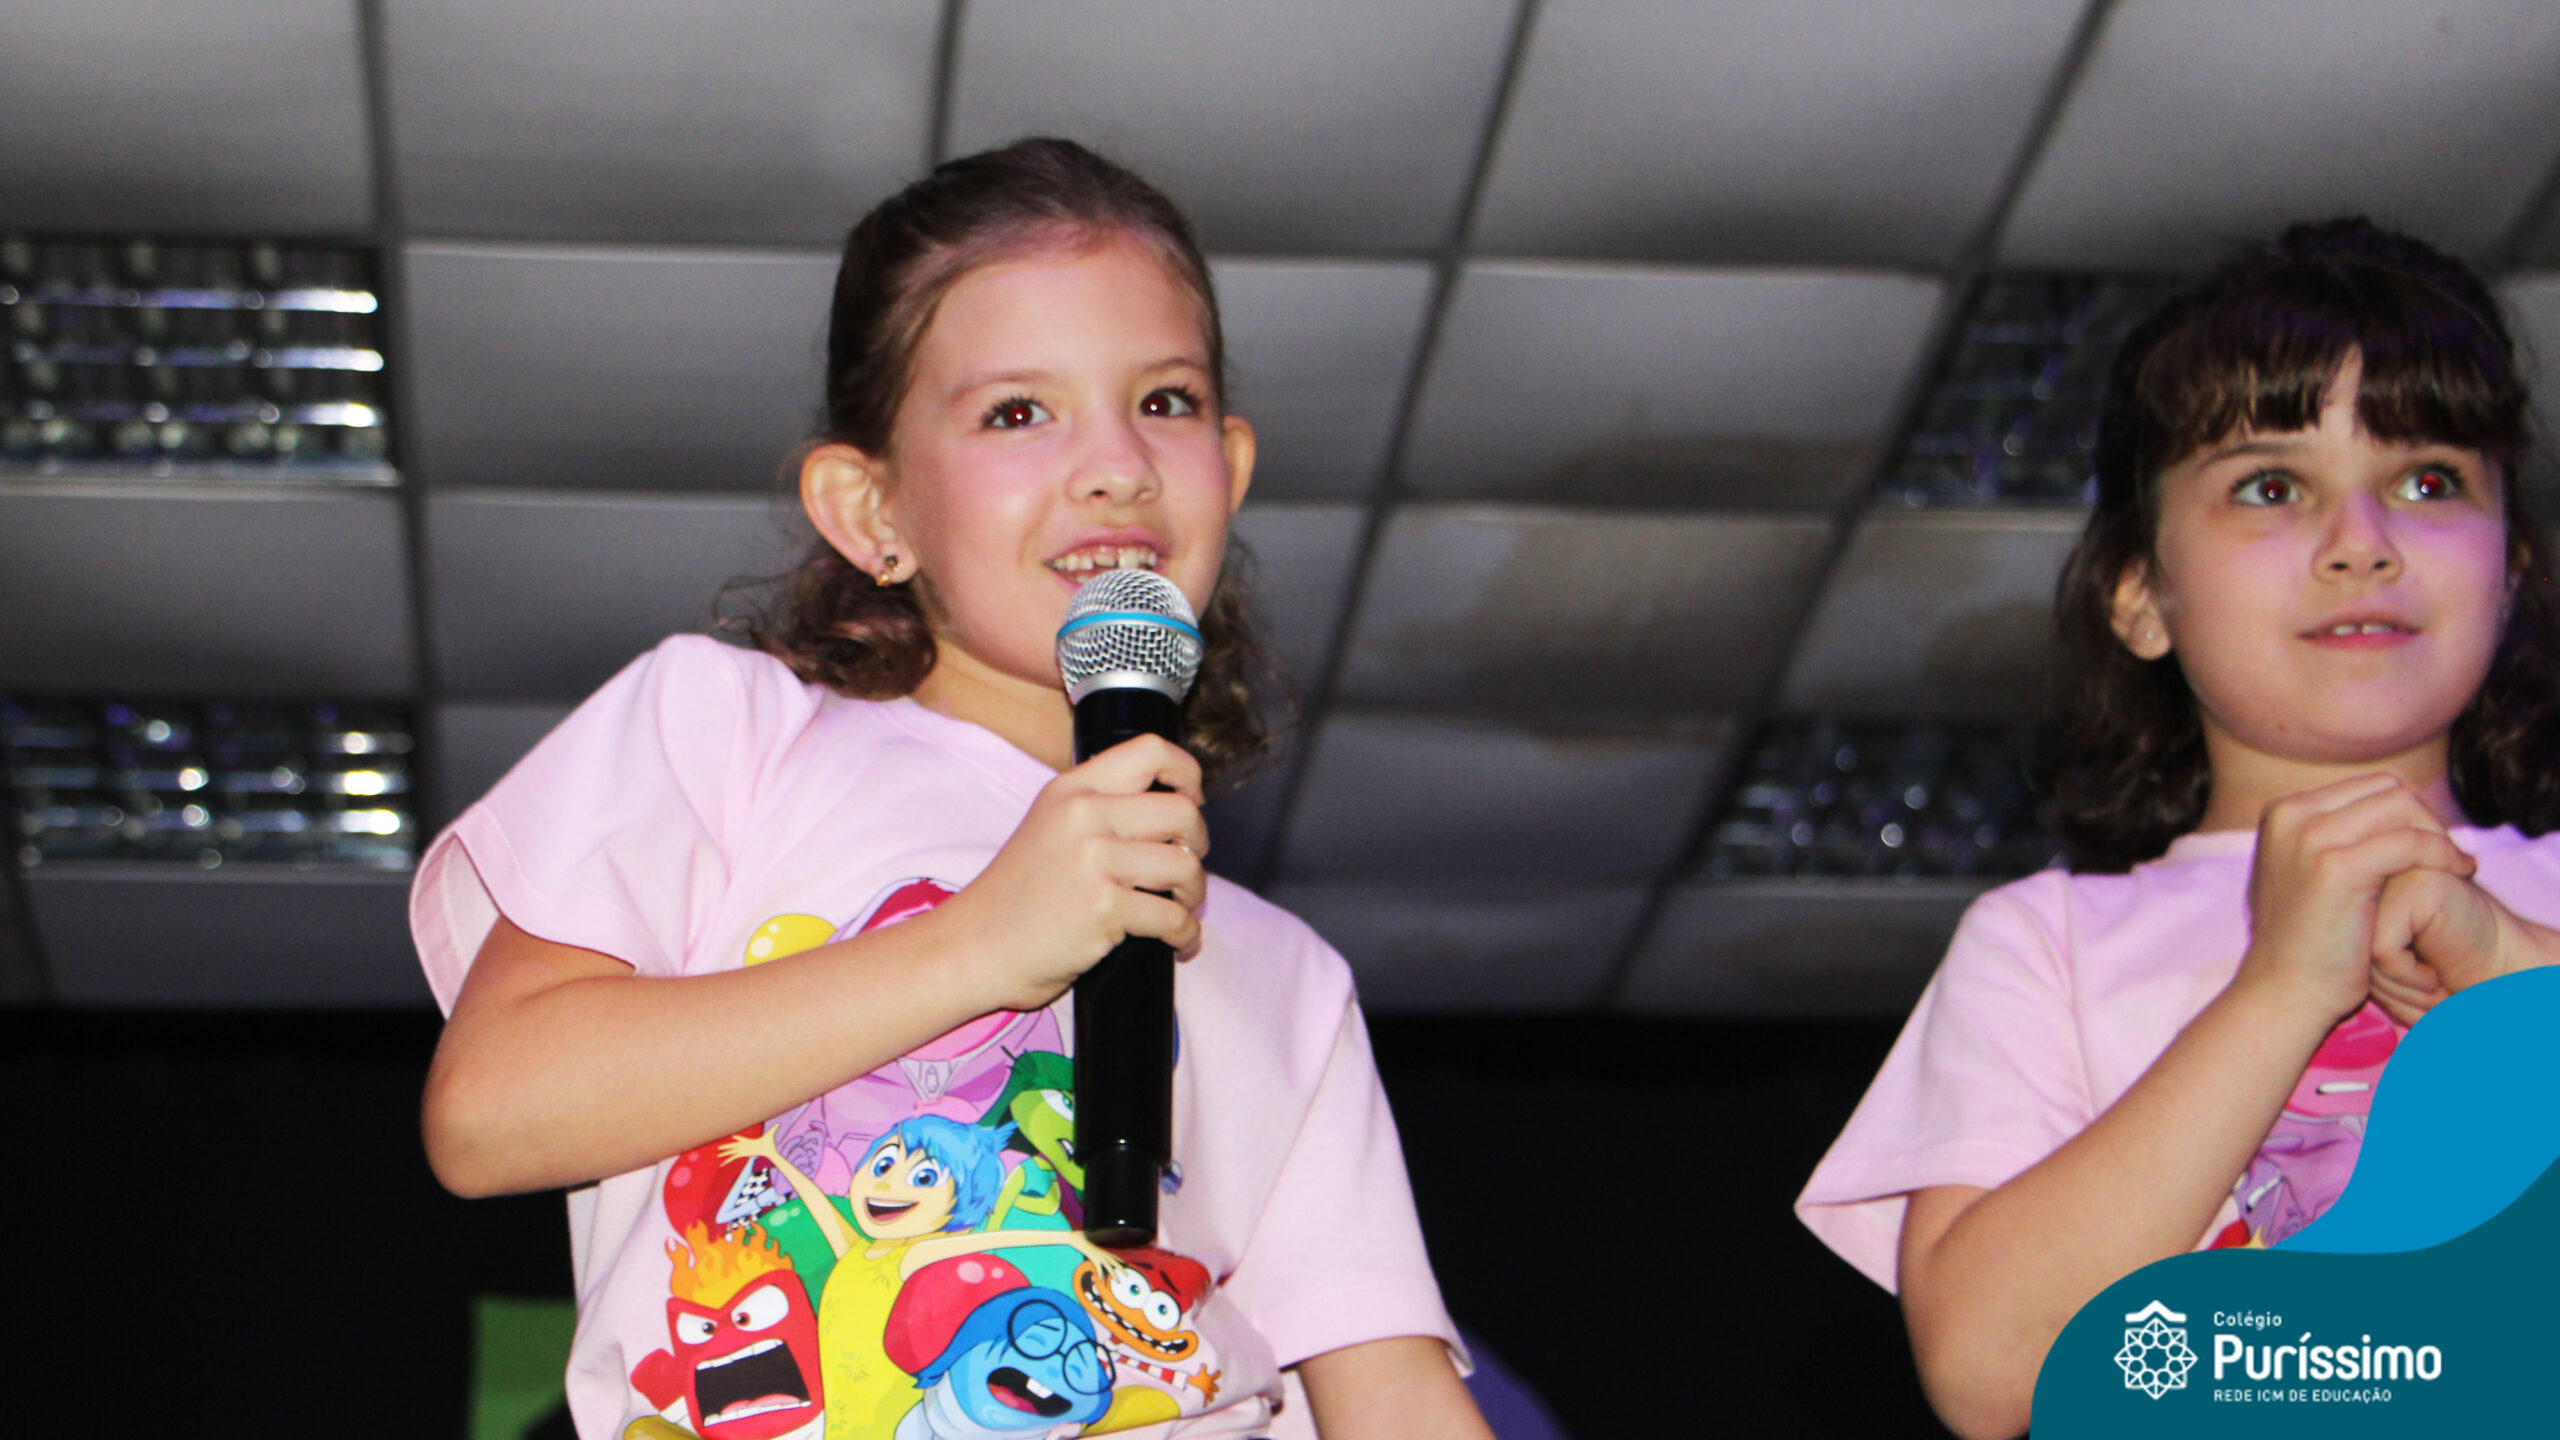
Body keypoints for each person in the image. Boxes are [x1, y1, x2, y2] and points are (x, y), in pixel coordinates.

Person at [414, 138, 1491, 1440]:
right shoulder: (724, 730)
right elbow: (491, 1112)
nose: (1118, 464)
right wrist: (981, 943)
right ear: (873, 510)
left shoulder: (1291, 979)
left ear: (1233, 466)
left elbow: (1393, 1392)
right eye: (1017, 413)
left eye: (1165, 401)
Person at [1795, 218, 2560, 1440]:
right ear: (2140, 596)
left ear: (2509, 572)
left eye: (2428, 481)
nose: (2361, 545)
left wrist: (2520, 983)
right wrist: (2279, 988)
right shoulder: (2045, 940)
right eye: (2271, 487)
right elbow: (1993, 1370)